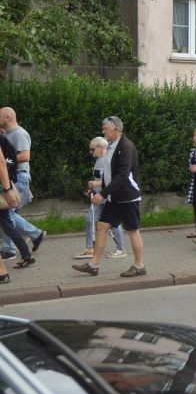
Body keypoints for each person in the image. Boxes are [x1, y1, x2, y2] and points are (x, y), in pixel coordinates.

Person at [72, 116, 147, 277]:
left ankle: (140, 266)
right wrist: (101, 188)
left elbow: (122, 175)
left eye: (106, 128)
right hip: (115, 196)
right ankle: (93, 265)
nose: (103, 130)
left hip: (127, 196)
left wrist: (102, 194)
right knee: (102, 226)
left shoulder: (125, 146)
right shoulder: (112, 145)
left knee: (132, 230)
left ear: (116, 129)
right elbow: (109, 175)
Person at [0, 107, 45, 260]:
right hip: (13, 175)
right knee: (8, 213)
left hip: (18, 176)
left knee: (8, 212)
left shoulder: (18, 133)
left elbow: (25, 156)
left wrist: (4, 162)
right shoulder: (7, 134)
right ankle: (35, 234)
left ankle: (9, 249)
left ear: (7, 117)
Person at [77, 137, 126, 259]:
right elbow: (99, 179)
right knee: (89, 219)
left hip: (108, 197)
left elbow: (113, 181)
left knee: (114, 223)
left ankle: (121, 249)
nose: (91, 152)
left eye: (92, 149)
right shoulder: (98, 161)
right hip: (99, 197)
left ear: (101, 148)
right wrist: (92, 188)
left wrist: (97, 184)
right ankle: (90, 248)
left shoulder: (109, 161)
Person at [0, 131, 35, 273]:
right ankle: (26, 254)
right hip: (4, 186)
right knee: (7, 224)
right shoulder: (3, 140)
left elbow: (4, 163)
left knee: (8, 223)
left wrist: (7, 189)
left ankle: (3, 271)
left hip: (3, 187)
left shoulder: (3, 141)